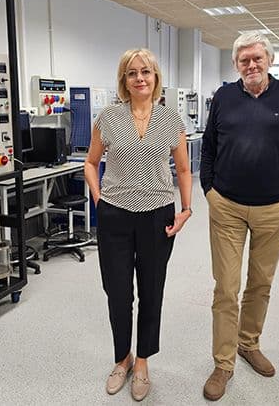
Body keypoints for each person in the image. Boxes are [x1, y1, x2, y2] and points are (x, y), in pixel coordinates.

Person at [200, 31, 279, 401]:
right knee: (226, 288)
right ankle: (223, 362)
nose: (251, 65)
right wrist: (209, 191)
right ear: (236, 64)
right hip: (227, 207)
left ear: (269, 60)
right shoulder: (223, 97)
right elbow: (208, 147)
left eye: (257, 58)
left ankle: (248, 344)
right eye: (244, 60)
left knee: (261, 283)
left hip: (274, 207)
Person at [84, 48, 192, 402]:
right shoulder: (108, 118)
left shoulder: (172, 120)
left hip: (158, 214)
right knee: (117, 292)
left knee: (151, 290)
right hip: (115, 214)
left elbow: (184, 169)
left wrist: (187, 209)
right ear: (124, 80)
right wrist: (100, 200)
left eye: (145, 72)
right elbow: (91, 162)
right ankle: (122, 359)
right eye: (132, 73)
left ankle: (143, 362)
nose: (140, 78)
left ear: (155, 77)